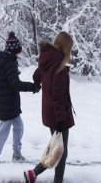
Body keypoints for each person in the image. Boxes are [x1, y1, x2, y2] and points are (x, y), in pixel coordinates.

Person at [0, 31, 41, 163]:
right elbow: (16, 84)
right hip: (7, 105)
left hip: (10, 104)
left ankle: (17, 154)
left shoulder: (2, 63)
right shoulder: (8, 64)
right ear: (15, 51)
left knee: (19, 127)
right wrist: (33, 87)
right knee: (3, 131)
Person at [24, 31, 75, 183]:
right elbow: (58, 97)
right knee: (60, 151)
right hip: (58, 115)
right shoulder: (59, 67)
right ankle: (37, 175)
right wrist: (60, 120)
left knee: (57, 148)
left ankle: (34, 174)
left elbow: (36, 77)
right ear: (66, 47)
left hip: (49, 112)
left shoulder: (48, 61)